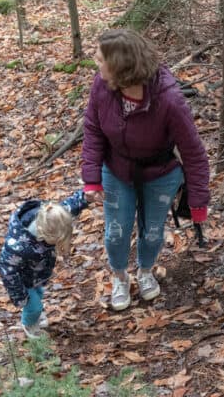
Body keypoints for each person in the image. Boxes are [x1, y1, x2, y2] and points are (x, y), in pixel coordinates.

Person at [81, 29, 210, 311]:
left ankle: (146, 271)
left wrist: (198, 202)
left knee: (152, 231)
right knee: (117, 231)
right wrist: (91, 179)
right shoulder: (103, 86)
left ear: (121, 67)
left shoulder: (169, 99)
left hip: (161, 173)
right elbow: (92, 129)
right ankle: (120, 277)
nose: (95, 62)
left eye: (100, 58)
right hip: (116, 169)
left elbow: (194, 152)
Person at [0, 190, 90, 339]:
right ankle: (29, 324)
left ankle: (35, 313)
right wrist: (19, 295)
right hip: (23, 281)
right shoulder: (19, 246)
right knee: (33, 305)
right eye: (54, 242)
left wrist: (85, 197)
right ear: (44, 234)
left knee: (39, 294)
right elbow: (7, 270)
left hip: (36, 274)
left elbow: (70, 206)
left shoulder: (53, 216)